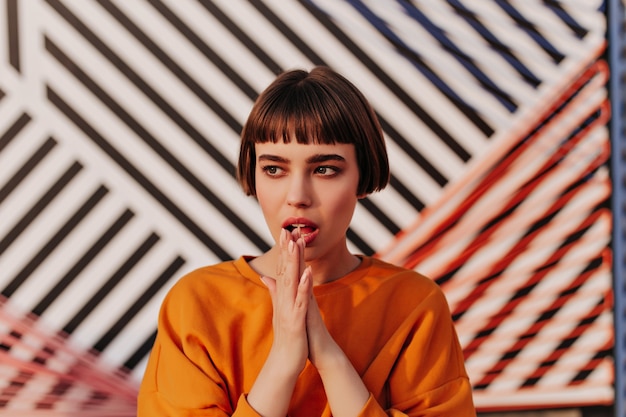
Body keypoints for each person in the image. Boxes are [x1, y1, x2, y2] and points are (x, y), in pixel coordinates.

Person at [137, 66, 476, 416]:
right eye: (274, 169)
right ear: (253, 175)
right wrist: (285, 358)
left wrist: (328, 358)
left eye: (324, 169)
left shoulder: (415, 305)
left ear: (363, 174)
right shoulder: (197, 303)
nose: (297, 196)